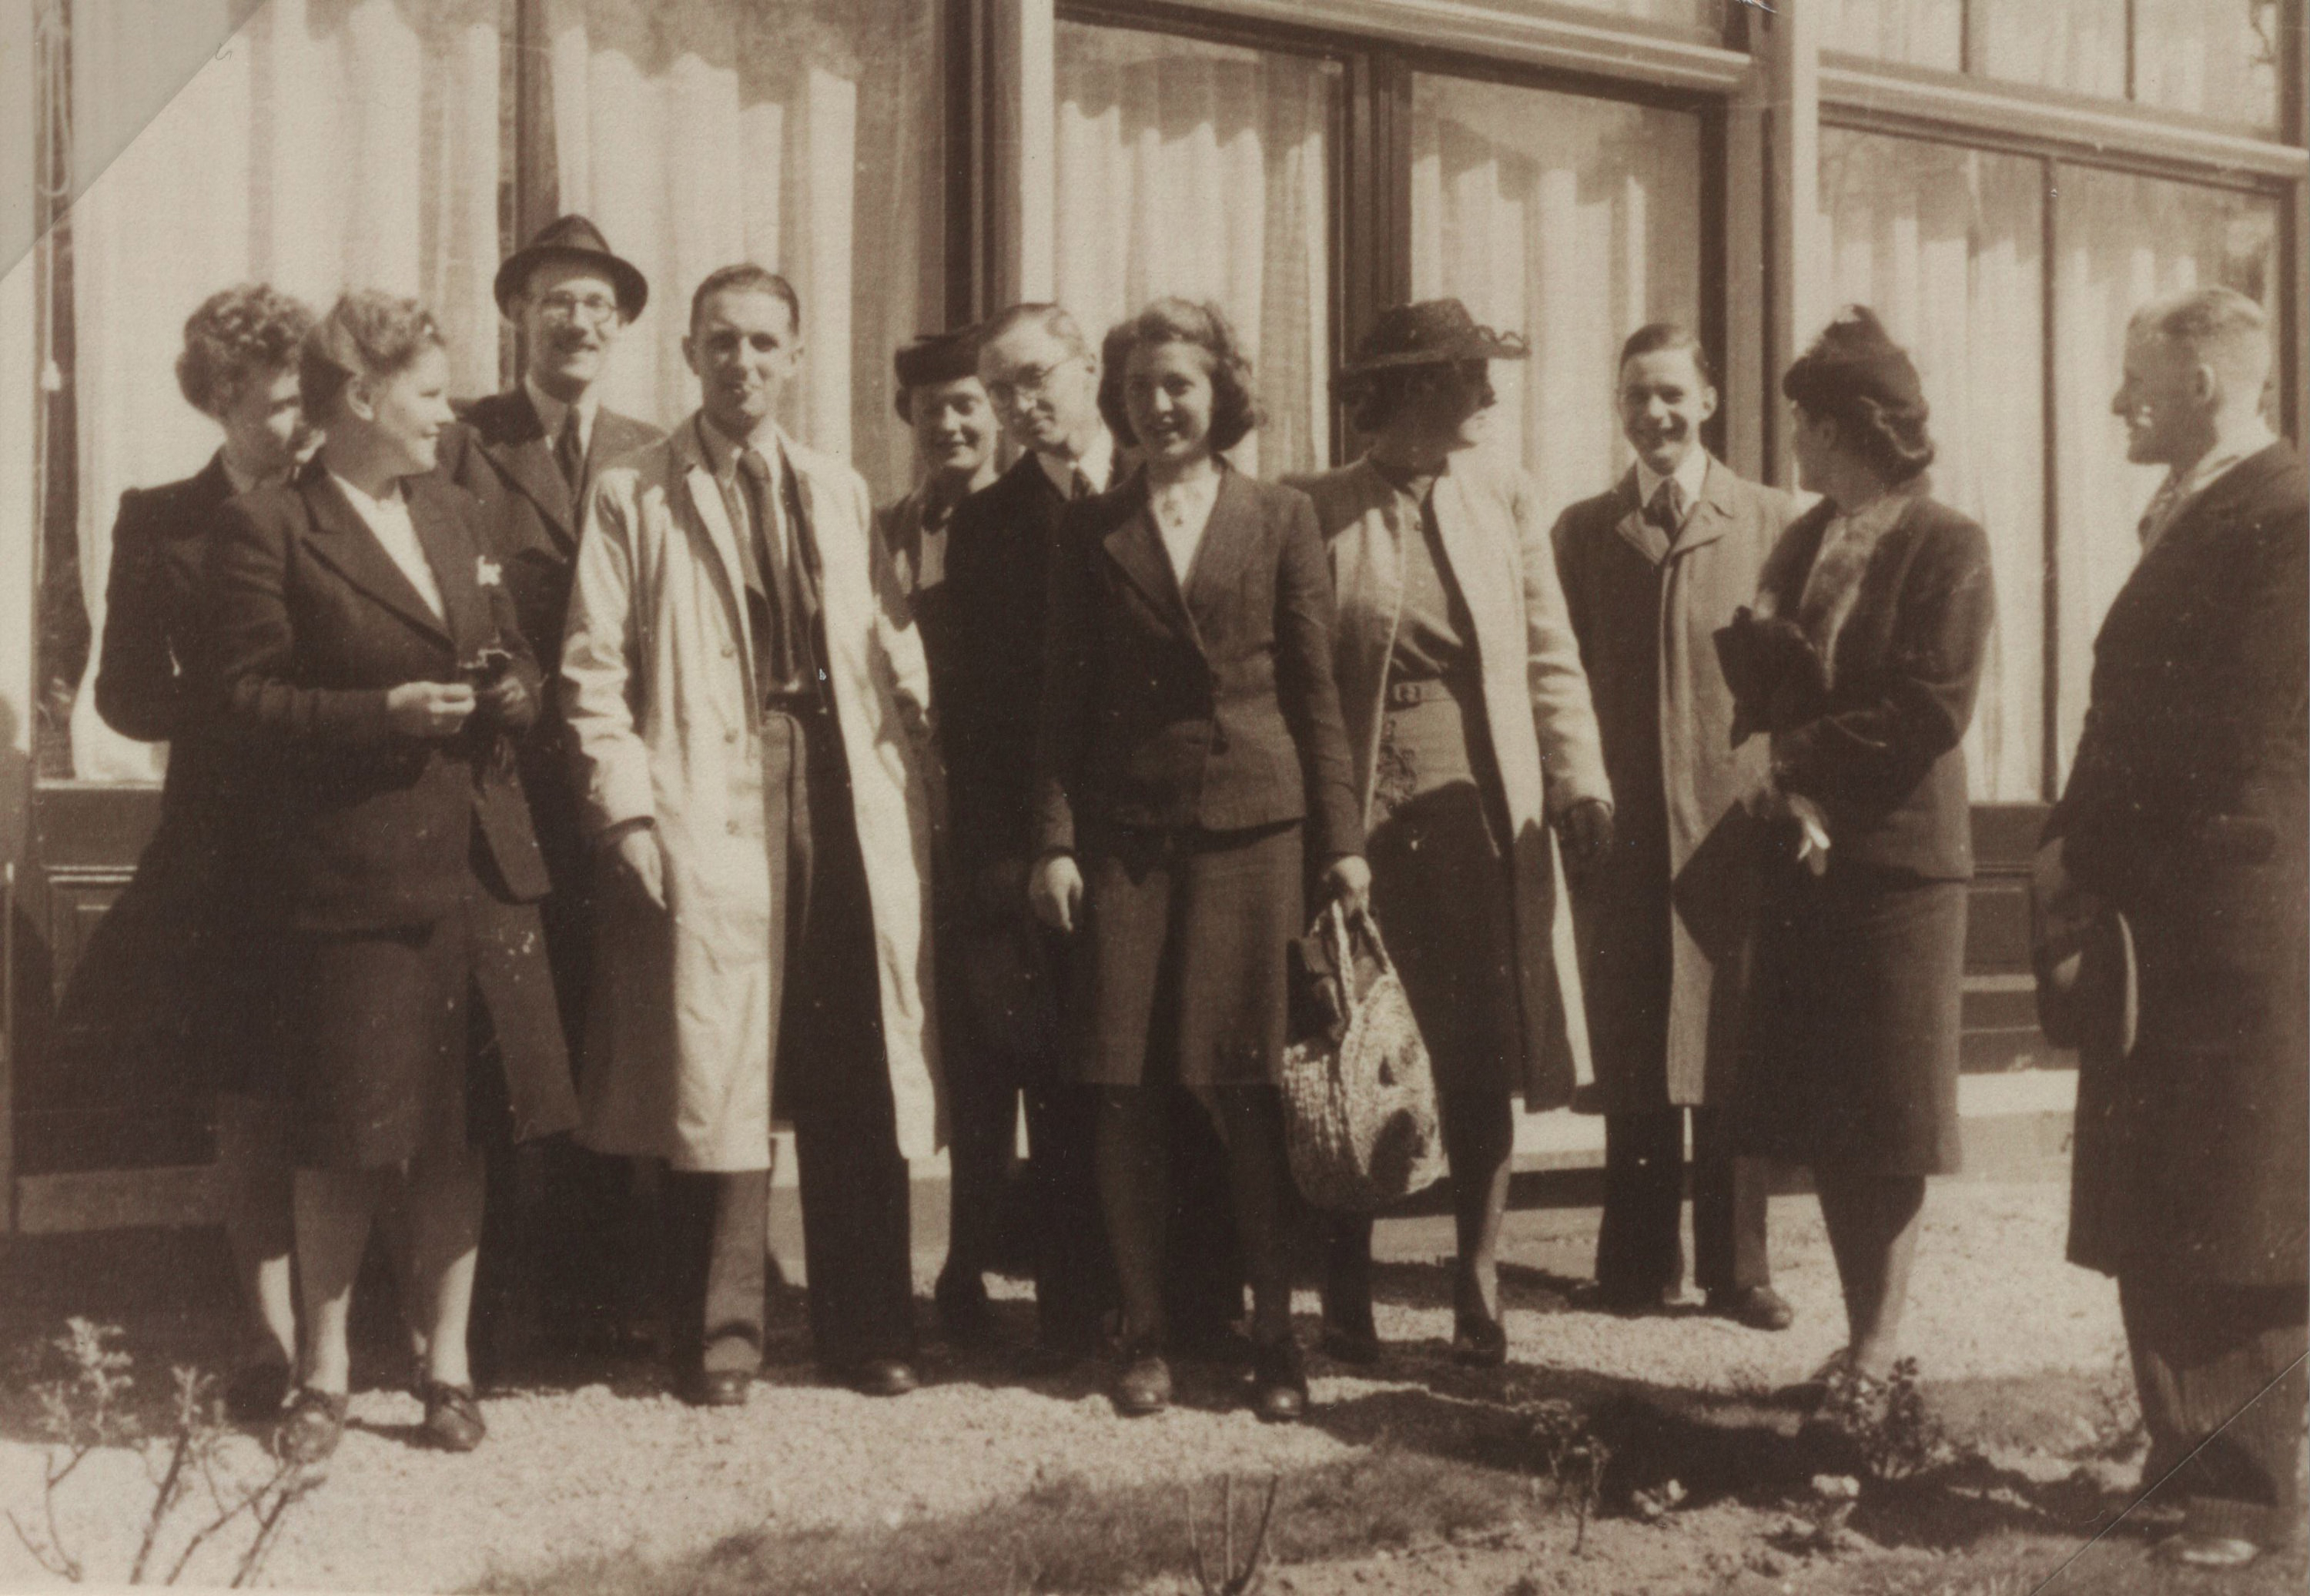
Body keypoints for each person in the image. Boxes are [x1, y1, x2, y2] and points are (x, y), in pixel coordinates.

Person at [203, 290, 578, 1463]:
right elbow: (242, 703)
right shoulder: (270, 527)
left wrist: (514, 689)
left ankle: (447, 1368)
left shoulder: (458, 514)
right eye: (426, 391)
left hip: (476, 864)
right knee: (347, 1135)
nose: (445, 412)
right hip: (354, 877)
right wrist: (386, 713)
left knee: (459, 1132)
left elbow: (510, 655)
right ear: (361, 398)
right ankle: (324, 1376)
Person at [561, 265, 942, 1405]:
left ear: (796, 358)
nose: (743, 365)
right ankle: (721, 1339)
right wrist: (624, 804)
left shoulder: (834, 485)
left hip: (837, 783)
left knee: (853, 1057)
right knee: (718, 1060)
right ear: (688, 355)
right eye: (721, 343)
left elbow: (887, 638)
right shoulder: (635, 490)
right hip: (709, 783)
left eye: (765, 344)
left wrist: (922, 734)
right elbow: (592, 669)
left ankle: (869, 1328)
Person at [1029, 297, 1367, 1422]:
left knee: (1247, 1085)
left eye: (1179, 384)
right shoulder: (1093, 527)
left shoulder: (1280, 517)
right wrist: (1057, 840)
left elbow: (1317, 695)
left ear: (1222, 393)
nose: (1159, 405)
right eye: (1138, 390)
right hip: (1126, 839)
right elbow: (1061, 704)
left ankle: (1276, 1334)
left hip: (1251, 830)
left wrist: (1345, 846)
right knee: (1122, 1085)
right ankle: (1147, 1330)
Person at [2037, 286, 2306, 1570]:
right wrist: (2070, 843)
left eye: (2136, 377)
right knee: (2168, 1191)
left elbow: (2241, 737)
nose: (2114, 402)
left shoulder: (2290, 516)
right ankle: (2184, 1456)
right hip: (2165, 904)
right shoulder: (2202, 507)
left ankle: (2247, 1499)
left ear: (2205, 381)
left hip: (2235, 909)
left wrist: (2100, 846)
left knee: (2244, 1204)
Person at [1291, 298, 1612, 1367]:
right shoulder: (1313, 507)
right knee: (1353, 1051)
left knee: (1479, 1058)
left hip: (1477, 816)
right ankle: (1346, 1294)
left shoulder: (1504, 496)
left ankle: (1476, 1281)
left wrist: (1580, 783)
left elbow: (1549, 654)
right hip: (1357, 827)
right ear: (1412, 390)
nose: (1485, 395)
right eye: (1466, 376)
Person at [1725, 306, 1992, 1391]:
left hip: (1897, 868)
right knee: (1833, 1117)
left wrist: (1795, 757)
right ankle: (1861, 1336)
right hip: (1807, 859)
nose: (1794, 441)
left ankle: (1879, 1349)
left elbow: (1932, 706)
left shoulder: (1947, 544)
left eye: (1805, 421)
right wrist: (1766, 751)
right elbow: (1773, 665)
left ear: (1852, 428)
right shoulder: (1803, 536)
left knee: (1887, 1117)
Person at [433, 213, 665, 1367]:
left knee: (614, 1027)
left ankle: (608, 1288)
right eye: (556, 301)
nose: (578, 321)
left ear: (620, 326)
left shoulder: (653, 448)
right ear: (517, 316)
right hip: (503, 782)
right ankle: (503, 1301)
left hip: (614, 785)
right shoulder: (465, 441)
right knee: (514, 1037)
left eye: (597, 305)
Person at [94, 284, 314, 1421]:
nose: (298, 424)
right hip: (224, 844)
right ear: (221, 399)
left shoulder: (346, 504)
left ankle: (341, 1341)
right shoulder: (162, 517)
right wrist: (233, 712)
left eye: (308, 399)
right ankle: (268, 1343)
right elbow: (125, 695)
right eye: (276, 404)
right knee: (249, 1099)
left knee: (345, 1083)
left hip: (340, 834)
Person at [1552, 323, 1798, 1330]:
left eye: (1670, 395)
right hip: (1626, 830)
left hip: (1734, 827)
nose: (1653, 415)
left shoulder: (1778, 522)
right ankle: (1635, 1261)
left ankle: (1739, 1271)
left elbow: (1803, 683)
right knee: (1636, 1033)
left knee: (1733, 1041)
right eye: (1635, 398)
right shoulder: (1582, 530)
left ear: (1706, 398)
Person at [933, 303, 1117, 1362]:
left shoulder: (1159, 484)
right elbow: (984, 719)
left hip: (1152, 829)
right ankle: (1070, 1314)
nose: (1019, 404)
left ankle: (1174, 1302)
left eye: (1036, 377)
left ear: (1088, 364)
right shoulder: (991, 526)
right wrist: (1014, 861)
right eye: (1000, 391)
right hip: (1037, 847)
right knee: (1054, 1070)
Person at [876, 328, 997, 671]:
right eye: (931, 410)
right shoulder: (883, 531)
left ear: (999, 411)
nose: (948, 425)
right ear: (910, 416)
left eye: (964, 405)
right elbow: (833, 660)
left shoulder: (1037, 520)